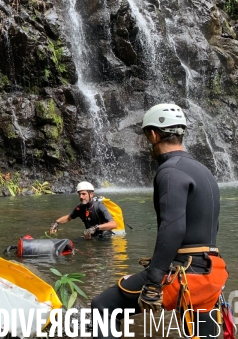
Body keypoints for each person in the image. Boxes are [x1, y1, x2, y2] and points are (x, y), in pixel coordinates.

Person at [90, 103, 226, 338]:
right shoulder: (203, 171)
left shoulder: (169, 171)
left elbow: (172, 228)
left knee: (103, 307)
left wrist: (153, 281)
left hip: (184, 274)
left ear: (153, 134)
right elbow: (212, 226)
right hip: (211, 272)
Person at [49, 181, 117, 239]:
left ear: (91, 194)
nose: (81, 197)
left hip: (104, 239)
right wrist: (56, 222)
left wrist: (95, 228)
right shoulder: (80, 208)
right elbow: (68, 217)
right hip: (90, 238)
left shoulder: (99, 206)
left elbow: (114, 224)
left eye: (84, 194)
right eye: (79, 194)